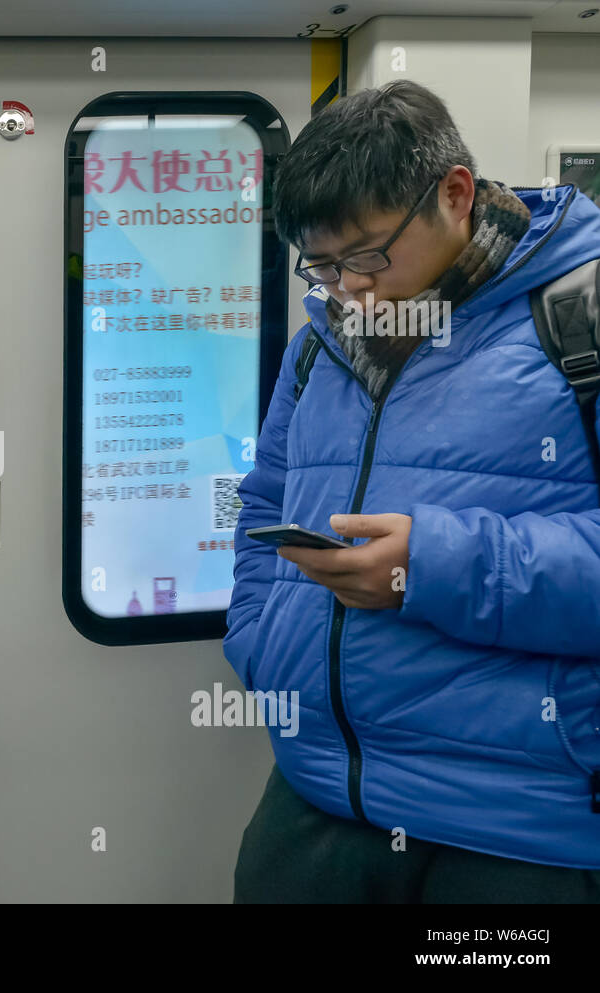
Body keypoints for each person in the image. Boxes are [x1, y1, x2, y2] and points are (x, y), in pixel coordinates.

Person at [225, 80, 600, 903]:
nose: (345, 288)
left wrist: (435, 565)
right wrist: (259, 646)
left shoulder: (579, 319)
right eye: (319, 265)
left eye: (365, 255)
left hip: (514, 826)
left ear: (455, 194)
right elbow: (266, 504)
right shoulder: (320, 345)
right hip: (317, 797)